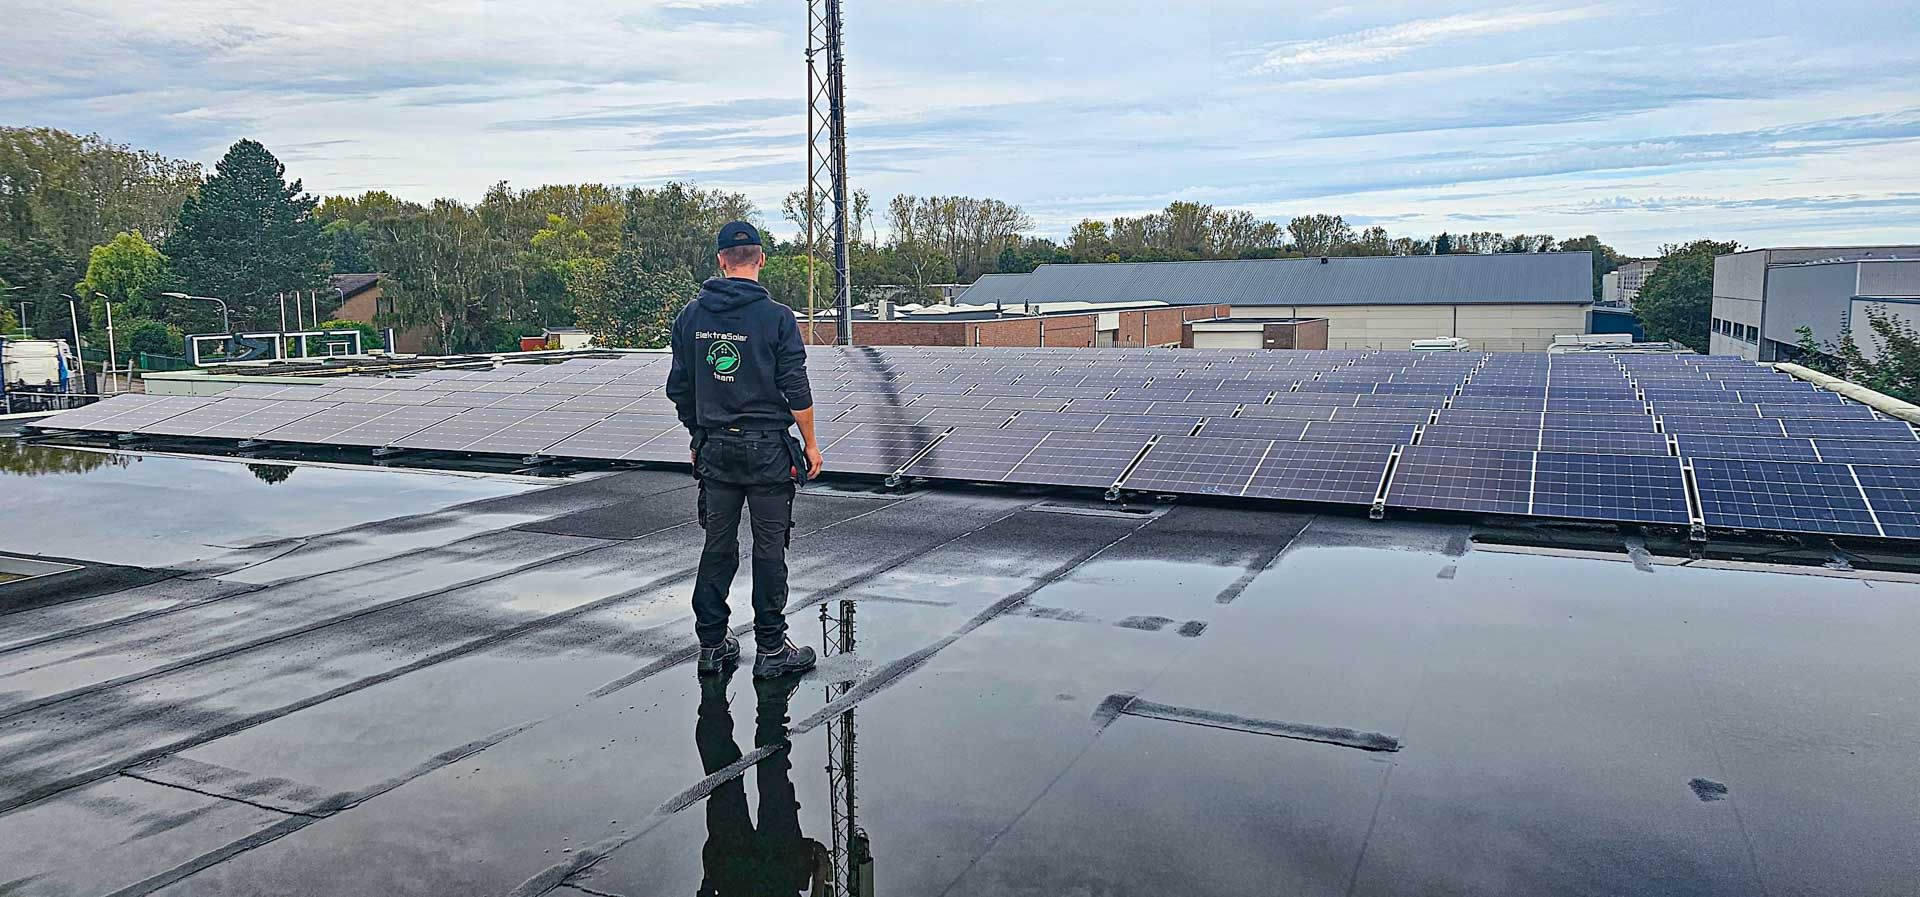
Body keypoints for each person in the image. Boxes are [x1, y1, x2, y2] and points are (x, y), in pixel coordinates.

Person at [667, 221, 824, 680]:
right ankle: (772, 650)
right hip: (768, 454)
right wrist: (811, 445)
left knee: (718, 547)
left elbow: (679, 388)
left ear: (720, 260)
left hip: (716, 451)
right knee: (769, 550)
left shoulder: (692, 317)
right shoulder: (776, 317)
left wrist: (698, 436)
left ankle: (713, 645)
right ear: (761, 259)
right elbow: (795, 388)